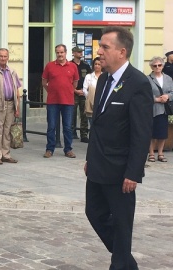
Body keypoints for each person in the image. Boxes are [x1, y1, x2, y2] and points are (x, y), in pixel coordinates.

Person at [85, 26, 153, 270]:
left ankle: (121, 262)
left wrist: (133, 173)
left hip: (121, 170)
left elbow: (141, 133)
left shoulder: (138, 83)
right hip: (97, 165)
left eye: (105, 47)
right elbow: (99, 124)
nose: (99, 51)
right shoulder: (103, 79)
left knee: (122, 224)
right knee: (94, 213)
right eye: (99, 46)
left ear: (122, 52)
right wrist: (89, 157)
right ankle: (126, 260)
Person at [41, 44, 79, 158]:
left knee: (67, 127)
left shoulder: (73, 66)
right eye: (58, 52)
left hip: (68, 101)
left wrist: (69, 91)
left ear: (66, 53)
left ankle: (68, 149)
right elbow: (44, 82)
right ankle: (49, 149)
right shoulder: (49, 66)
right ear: (55, 53)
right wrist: (51, 91)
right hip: (53, 101)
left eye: (61, 52)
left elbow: (75, 83)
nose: (60, 54)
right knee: (51, 126)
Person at [0, 48, 21, 164]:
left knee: (7, 130)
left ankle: (6, 154)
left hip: (11, 104)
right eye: (1, 56)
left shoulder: (12, 71)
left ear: (8, 57)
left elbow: (17, 90)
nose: (3, 58)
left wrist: (17, 107)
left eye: (5, 56)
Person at [147, 56, 173, 163]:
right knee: (152, 132)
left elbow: (172, 92)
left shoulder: (168, 78)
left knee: (162, 133)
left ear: (162, 66)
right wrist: (156, 99)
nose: (157, 67)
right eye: (155, 65)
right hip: (152, 109)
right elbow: (145, 94)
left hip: (164, 109)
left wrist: (168, 97)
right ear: (152, 67)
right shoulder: (148, 79)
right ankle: (152, 153)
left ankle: (161, 153)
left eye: (159, 65)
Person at [71, 46, 92, 143]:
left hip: (83, 93)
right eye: (78, 52)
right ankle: (72, 132)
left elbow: (90, 78)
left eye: (81, 52)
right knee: (72, 114)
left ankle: (84, 134)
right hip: (73, 93)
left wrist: (85, 90)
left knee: (84, 114)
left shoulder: (85, 65)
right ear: (74, 53)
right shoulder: (70, 65)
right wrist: (75, 90)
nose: (80, 53)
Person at [83, 57, 102, 125]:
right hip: (91, 105)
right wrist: (90, 98)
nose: (97, 66)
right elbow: (85, 89)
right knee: (92, 125)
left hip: (101, 104)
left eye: (99, 64)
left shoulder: (105, 76)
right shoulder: (88, 76)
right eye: (95, 64)